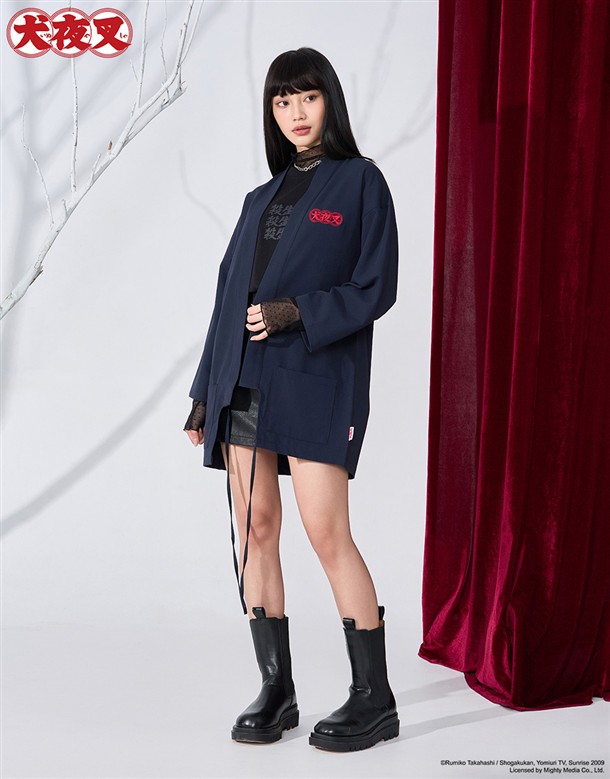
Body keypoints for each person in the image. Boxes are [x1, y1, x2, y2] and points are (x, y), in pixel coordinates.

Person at [184, 47, 399, 752]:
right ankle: (276, 689)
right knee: (256, 528)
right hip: (242, 380)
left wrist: (296, 312)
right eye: (282, 101)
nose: (296, 113)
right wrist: (203, 392)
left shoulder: (361, 182)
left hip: (313, 378)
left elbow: (375, 288)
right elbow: (227, 300)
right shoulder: (260, 198)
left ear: (329, 100)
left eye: (307, 97)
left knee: (326, 530)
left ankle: (374, 697)